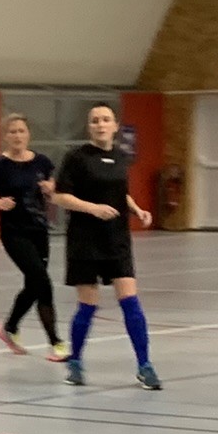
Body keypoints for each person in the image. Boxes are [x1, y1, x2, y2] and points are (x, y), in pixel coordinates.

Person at [52, 103, 157, 389]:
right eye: (95, 120)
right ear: (90, 127)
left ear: (114, 126)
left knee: (131, 302)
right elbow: (60, 197)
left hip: (117, 239)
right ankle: (75, 363)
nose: (100, 124)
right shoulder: (76, 158)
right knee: (88, 304)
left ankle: (144, 365)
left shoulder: (122, 157)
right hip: (85, 239)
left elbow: (120, 193)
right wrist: (92, 208)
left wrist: (137, 210)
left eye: (105, 120)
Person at [0, 112, 66, 361]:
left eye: (21, 131)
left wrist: (51, 189)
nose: (17, 136)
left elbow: (56, 193)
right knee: (41, 281)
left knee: (33, 284)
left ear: (28, 134)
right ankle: (56, 342)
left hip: (39, 230)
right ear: (5, 136)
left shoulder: (43, 163)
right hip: (14, 233)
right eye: (12, 131)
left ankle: (10, 327)